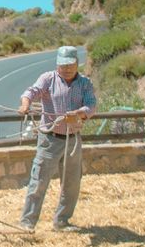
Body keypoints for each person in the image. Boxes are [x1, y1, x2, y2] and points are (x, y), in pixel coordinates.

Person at [17, 45, 97, 231]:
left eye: (70, 65)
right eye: (63, 65)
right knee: (38, 182)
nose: (67, 69)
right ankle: (27, 223)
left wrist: (78, 114)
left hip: (73, 140)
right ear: (57, 65)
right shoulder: (48, 79)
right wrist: (25, 103)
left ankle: (61, 222)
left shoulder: (85, 83)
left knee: (71, 184)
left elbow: (91, 105)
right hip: (49, 140)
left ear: (77, 63)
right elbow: (32, 91)